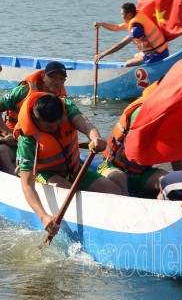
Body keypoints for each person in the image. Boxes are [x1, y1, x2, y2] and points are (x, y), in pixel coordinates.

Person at [15, 92, 121, 233]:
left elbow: (86, 125)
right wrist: (44, 217)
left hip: (74, 169)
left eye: (58, 125)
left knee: (114, 190)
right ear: (35, 119)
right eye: (49, 127)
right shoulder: (27, 139)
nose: (55, 130)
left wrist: (95, 138)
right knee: (67, 189)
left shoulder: (66, 106)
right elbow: (27, 185)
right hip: (46, 173)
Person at [97, 82, 182, 198]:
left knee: (167, 182)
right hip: (113, 166)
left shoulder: (167, 117)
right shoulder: (140, 112)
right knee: (120, 178)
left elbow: (176, 157)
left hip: (142, 173)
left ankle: (161, 213)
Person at [94, 2, 169, 67]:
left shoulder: (137, 28)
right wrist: (101, 24)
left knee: (128, 64)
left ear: (129, 15)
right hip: (158, 51)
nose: (121, 16)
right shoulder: (137, 19)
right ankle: (144, 68)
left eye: (122, 14)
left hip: (158, 55)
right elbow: (117, 27)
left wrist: (102, 54)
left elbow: (121, 44)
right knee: (135, 56)